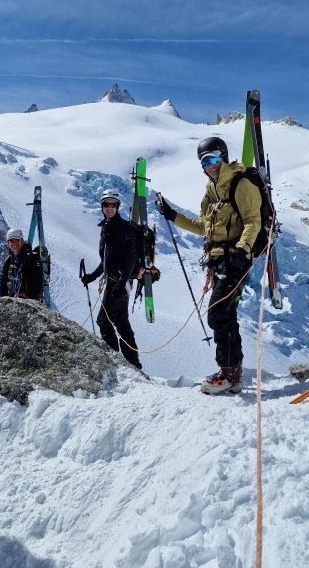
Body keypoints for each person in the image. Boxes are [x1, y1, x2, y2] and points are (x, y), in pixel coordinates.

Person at [156, 137, 261, 393]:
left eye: (214, 159)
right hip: (219, 261)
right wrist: (173, 216)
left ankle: (228, 375)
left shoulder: (241, 184)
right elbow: (204, 227)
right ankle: (234, 375)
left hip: (237, 259)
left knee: (216, 315)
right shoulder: (210, 192)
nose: (210, 165)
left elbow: (253, 221)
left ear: (223, 157)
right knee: (226, 315)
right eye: (205, 161)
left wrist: (242, 250)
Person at [81, 189, 142, 369]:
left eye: (113, 205)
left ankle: (116, 362)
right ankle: (132, 362)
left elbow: (131, 257)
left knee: (103, 320)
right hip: (117, 280)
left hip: (120, 281)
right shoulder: (107, 227)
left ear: (118, 207)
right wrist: (92, 276)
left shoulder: (124, 228)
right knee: (121, 320)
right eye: (106, 204)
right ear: (102, 206)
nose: (109, 208)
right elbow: (107, 260)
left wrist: (122, 282)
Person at [0, 228, 44, 301]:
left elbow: (38, 284)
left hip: (28, 301)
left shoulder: (33, 259)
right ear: (8, 244)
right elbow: (2, 283)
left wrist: (31, 304)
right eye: (11, 241)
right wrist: (1, 302)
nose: (14, 243)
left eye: (17, 240)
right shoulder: (8, 261)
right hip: (11, 301)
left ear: (22, 241)